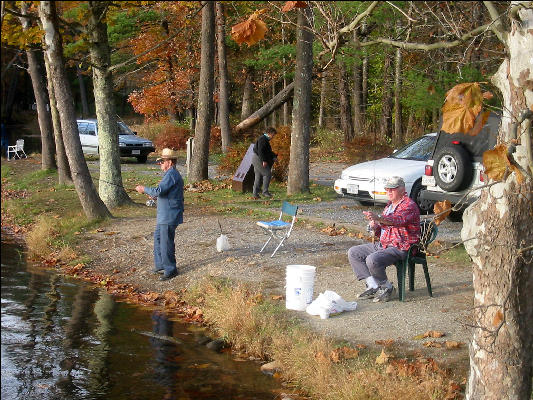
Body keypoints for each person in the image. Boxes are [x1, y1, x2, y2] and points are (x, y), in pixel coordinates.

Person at [347, 176, 420, 302]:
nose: (389, 192)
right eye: (387, 189)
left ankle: (387, 287)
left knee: (372, 259)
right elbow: (383, 229)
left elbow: (398, 220)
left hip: (400, 246)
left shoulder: (409, 205)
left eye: (392, 189)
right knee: (354, 252)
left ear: (402, 190)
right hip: (384, 244)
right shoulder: (389, 206)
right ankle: (373, 285)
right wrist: (375, 226)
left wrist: (379, 218)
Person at [136, 148, 184, 281]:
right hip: (164, 215)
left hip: (169, 215)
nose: (160, 164)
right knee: (158, 238)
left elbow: (158, 190)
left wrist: (143, 189)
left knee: (166, 243)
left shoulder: (171, 175)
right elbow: (164, 193)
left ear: (170, 162)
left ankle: (171, 269)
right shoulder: (170, 174)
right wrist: (155, 197)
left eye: (162, 161)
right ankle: (160, 265)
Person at [251, 127, 277, 199]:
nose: (273, 137)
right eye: (273, 135)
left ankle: (255, 194)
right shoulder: (263, 139)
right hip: (258, 159)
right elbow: (261, 151)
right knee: (267, 174)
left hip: (256, 158)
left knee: (258, 176)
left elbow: (268, 151)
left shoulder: (264, 139)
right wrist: (264, 161)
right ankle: (265, 192)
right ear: (269, 133)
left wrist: (274, 156)